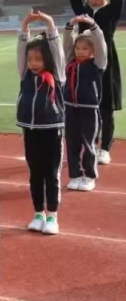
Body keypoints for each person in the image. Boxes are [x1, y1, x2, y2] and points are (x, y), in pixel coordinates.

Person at [69, 0, 123, 164]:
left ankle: (105, 148)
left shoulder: (111, 12)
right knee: (88, 106)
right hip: (86, 65)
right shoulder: (83, 14)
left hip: (107, 64)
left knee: (106, 107)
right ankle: (90, 142)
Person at [16, 10, 65, 234]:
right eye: (30, 59)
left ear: (48, 59)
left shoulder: (57, 75)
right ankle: (38, 213)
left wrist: (50, 23)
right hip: (31, 130)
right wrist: (25, 26)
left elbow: (57, 50)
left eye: (38, 59)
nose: (33, 63)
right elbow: (21, 49)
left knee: (51, 174)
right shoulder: (25, 76)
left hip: (52, 130)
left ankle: (52, 216)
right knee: (35, 173)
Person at [63, 14, 108, 192]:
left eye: (85, 48)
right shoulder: (70, 62)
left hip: (89, 110)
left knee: (89, 144)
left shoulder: (97, 64)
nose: (80, 51)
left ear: (93, 51)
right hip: (70, 108)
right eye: (78, 48)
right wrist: (70, 26)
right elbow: (67, 45)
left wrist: (93, 25)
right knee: (72, 143)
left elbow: (101, 45)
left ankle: (89, 176)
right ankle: (75, 175)